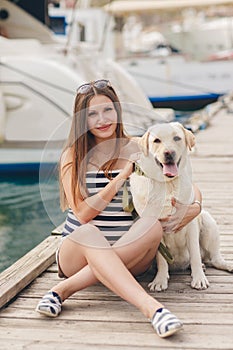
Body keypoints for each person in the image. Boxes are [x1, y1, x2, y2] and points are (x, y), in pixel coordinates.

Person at [36, 79, 202, 338]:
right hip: (77, 255)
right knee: (90, 232)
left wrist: (194, 207)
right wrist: (122, 176)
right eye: (92, 114)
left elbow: (185, 180)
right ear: (82, 120)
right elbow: (82, 213)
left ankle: (62, 290)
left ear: (117, 110)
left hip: (131, 256)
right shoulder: (73, 154)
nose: (102, 119)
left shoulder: (139, 146)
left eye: (107, 110)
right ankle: (153, 309)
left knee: (151, 225)